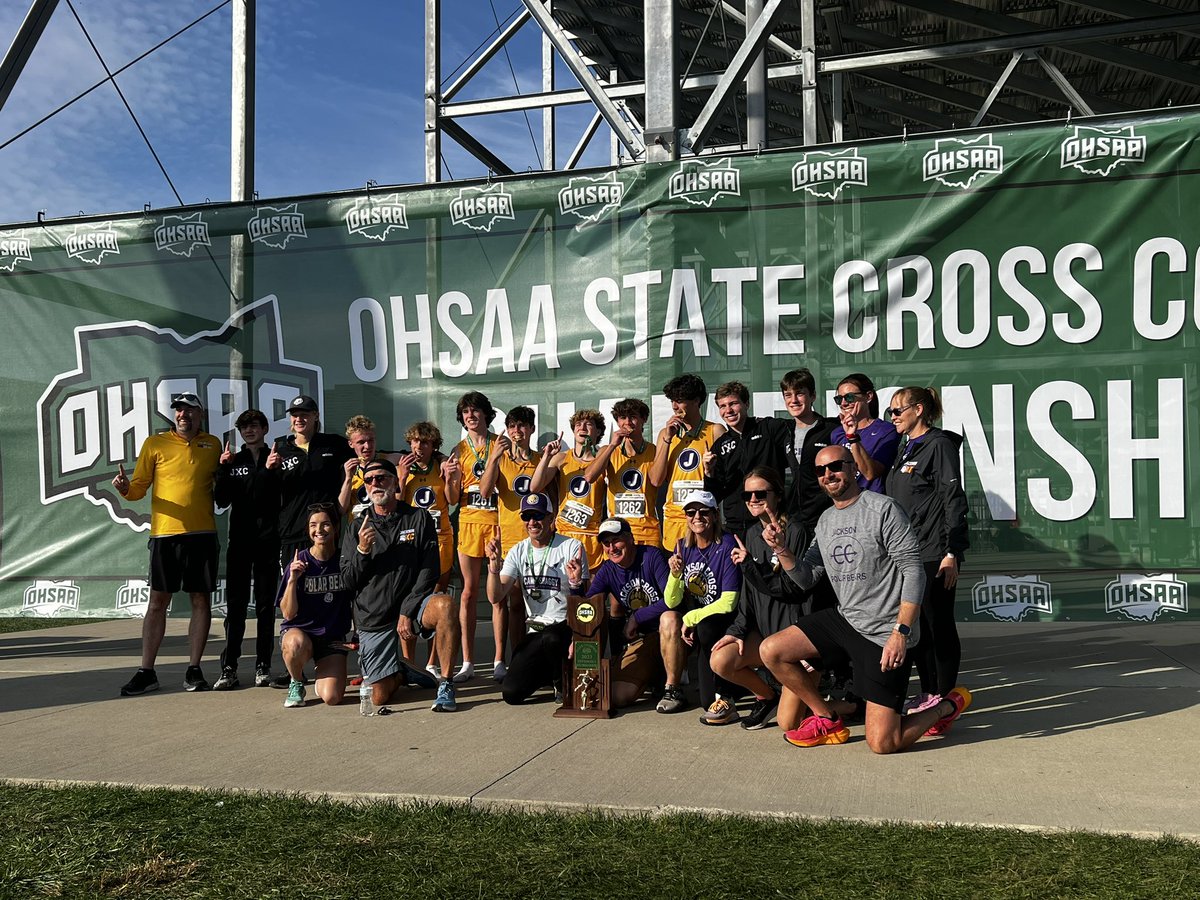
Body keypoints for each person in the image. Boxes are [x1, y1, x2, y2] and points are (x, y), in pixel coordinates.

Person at [758, 446, 971, 753]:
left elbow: (913, 572)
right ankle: (827, 718)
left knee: (884, 743)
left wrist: (901, 632)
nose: (828, 474)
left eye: (835, 466)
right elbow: (806, 577)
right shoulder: (826, 520)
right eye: (820, 471)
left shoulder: (883, 509)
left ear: (853, 467)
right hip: (846, 620)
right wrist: (782, 549)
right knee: (772, 650)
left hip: (885, 632)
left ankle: (945, 707)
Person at [112, 391, 222, 695]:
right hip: (164, 535)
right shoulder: (155, 443)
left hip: (202, 535)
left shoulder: (212, 444)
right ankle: (147, 671)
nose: (183, 415)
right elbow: (137, 489)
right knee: (158, 602)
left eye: (189, 410)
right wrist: (124, 488)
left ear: (200, 414)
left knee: (201, 600)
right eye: (178, 411)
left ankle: (194, 669)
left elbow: (223, 484)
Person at [709, 467, 832, 729]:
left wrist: (753, 566)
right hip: (766, 636)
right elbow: (749, 593)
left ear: (777, 495)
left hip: (795, 640)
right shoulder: (752, 535)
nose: (752, 499)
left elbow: (794, 589)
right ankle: (767, 696)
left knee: (789, 724)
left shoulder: (796, 531)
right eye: (747, 494)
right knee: (720, 658)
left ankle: (846, 706)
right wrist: (737, 631)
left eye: (760, 493)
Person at [340, 458, 458, 712]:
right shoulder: (356, 527)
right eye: (370, 480)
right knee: (379, 697)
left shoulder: (418, 517)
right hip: (374, 615)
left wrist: (407, 610)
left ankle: (446, 683)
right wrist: (362, 550)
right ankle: (402, 670)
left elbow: (430, 570)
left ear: (395, 482)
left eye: (381, 478)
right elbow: (348, 581)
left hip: (414, 606)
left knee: (445, 605)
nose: (375, 484)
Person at [885, 386, 970, 729]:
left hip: (936, 552)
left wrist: (952, 552)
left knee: (939, 625)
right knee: (917, 628)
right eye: (890, 412)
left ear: (918, 410)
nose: (892, 417)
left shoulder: (939, 445)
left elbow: (954, 499)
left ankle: (947, 698)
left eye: (896, 411)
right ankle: (930, 693)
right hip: (908, 554)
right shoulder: (906, 446)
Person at [486, 493, 586, 705]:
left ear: (551, 518)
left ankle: (562, 683)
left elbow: (584, 603)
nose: (532, 522)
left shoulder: (571, 546)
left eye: (538, 516)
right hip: (535, 632)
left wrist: (576, 584)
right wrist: (493, 568)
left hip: (563, 628)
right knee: (511, 694)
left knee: (552, 638)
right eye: (527, 517)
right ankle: (548, 675)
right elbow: (495, 596)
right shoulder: (518, 550)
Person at [585, 517, 685, 712]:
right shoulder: (607, 570)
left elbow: (671, 601)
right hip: (641, 641)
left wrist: (637, 617)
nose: (611, 547)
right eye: (606, 543)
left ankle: (673, 689)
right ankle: (655, 676)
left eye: (616, 541)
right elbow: (587, 607)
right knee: (618, 696)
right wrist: (574, 586)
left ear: (631, 538)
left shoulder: (652, 556)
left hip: (673, 635)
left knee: (669, 617)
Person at [212, 408, 281, 690]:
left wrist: (271, 471)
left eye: (254, 426)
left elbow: (276, 495)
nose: (249, 431)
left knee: (266, 607)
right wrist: (223, 469)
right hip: (240, 541)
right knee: (236, 607)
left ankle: (263, 665)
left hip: (268, 541)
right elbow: (221, 500)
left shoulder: (276, 458)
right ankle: (229, 667)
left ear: (264, 429)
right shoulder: (234, 460)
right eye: (244, 428)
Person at [664, 490, 740, 720]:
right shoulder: (682, 547)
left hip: (725, 620)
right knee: (706, 703)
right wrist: (675, 575)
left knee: (706, 627)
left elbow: (729, 602)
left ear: (715, 515)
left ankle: (727, 693)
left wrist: (691, 618)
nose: (697, 516)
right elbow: (671, 601)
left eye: (703, 511)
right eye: (690, 512)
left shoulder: (726, 545)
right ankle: (724, 690)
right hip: (701, 622)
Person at [479, 405, 543, 670]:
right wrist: (493, 458)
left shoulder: (541, 459)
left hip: (536, 542)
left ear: (531, 429)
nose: (517, 431)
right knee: (511, 602)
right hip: (509, 540)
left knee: (533, 603)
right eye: (513, 426)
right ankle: (509, 659)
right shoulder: (501, 458)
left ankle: (532, 659)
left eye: (522, 426)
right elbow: (484, 492)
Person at [277, 503, 353, 708]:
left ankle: (323, 676)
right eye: (313, 525)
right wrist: (292, 579)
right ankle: (296, 680)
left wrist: (356, 636)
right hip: (301, 635)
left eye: (325, 524)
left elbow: (358, 600)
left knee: (332, 698)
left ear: (336, 528)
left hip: (331, 639)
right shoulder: (299, 561)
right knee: (294, 644)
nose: (319, 530)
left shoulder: (345, 560)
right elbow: (288, 613)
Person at [268, 395, 355, 562]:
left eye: (304, 414)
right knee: (292, 584)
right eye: (294, 415)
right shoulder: (280, 451)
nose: (299, 419)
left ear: (316, 416)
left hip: (324, 532)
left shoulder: (334, 444)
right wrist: (268, 471)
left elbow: (363, 454)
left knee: (325, 585)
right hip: (293, 532)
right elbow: (267, 494)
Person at [703, 381, 793, 537]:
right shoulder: (719, 445)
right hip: (735, 527)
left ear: (746, 404)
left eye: (733, 404)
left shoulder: (768, 428)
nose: (728, 410)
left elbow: (804, 425)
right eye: (722, 406)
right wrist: (709, 473)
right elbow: (714, 496)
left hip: (769, 521)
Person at [452, 391, 500, 683]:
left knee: (498, 595)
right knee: (469, 592)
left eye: (475, 411)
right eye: (466, 412)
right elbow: (453, 496)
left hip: (496, 523)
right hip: (469, 520)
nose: (471, 416)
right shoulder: (458, 450)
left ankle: (499, 660)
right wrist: (451, 478)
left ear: (486, 414)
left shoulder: (499, 445)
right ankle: (467, 661)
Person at [652, 375, 724, 551]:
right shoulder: (665, 434)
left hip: (703, 522)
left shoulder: (715, 430)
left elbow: (724, 479)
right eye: (672, 401)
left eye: (680, 400)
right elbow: (656, 480)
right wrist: (668, 439)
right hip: (674, 523)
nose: (675, 407)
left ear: (696, 401)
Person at [531, 409, 606, 570]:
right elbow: (535, 487)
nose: (582, 428)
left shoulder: (604, 457)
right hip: (564, 533)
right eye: (578, 424)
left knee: (592, 592)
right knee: (565, 588)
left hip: (592, 535)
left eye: (589, 424)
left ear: (598, 431)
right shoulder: (562, 458)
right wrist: (546, 456)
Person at [585, 398, 660, 549]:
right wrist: (613, 445)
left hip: (648, 533)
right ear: (618, 422)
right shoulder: (608, 450)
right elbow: (589, 477)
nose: (628, 422)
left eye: (633, 417)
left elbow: (658, 481)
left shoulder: (655, 451)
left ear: (644, 419)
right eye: (623, 418)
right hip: (616, 532)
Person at [779, 368, 837, 531]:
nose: (794, 400)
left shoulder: (831, 429)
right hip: (795, 520)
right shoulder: (784, 432)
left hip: (826, 518)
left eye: (799, 393)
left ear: (812, 396)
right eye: (788, 395)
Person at [828, 373, 900, 494]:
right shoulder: (837, 433)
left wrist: (852, 437)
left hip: (873, 503)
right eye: (839, 399)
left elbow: (870, 473)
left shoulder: (887, 431)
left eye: (849, 397)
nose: (844, 403)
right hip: (845, 502)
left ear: (868, 397)